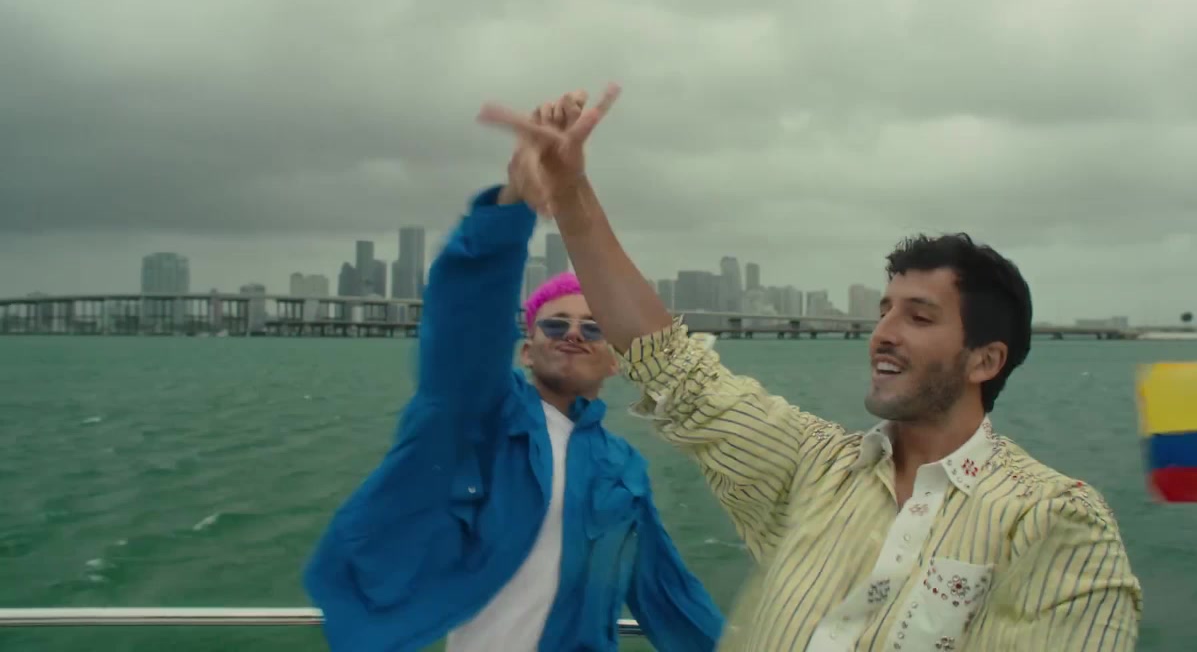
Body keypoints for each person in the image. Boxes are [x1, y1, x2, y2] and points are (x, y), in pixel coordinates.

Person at [476, 85, 1144, 651]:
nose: (883, 334)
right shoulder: (815, 470)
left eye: (919, 317)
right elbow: (674, 368)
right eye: (884, 310)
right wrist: (570, 192)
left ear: (985, 360)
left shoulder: (1050, 517)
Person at [302, 94, 724, 652]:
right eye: (555, 324)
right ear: (526, 350)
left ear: (615, 361)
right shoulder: (480, 420)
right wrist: (513, 207)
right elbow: (465, 331)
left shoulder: (623, 470)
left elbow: (668, 593)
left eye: (593, 328)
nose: (573, 334)